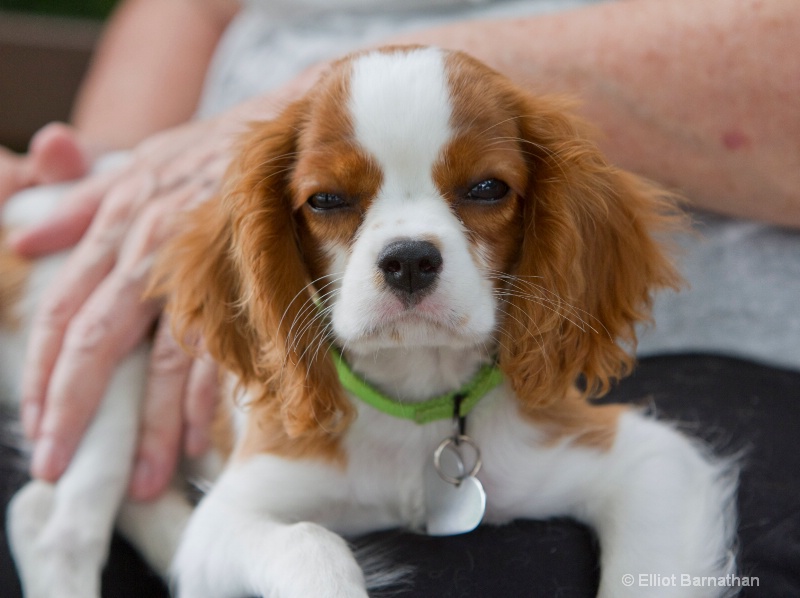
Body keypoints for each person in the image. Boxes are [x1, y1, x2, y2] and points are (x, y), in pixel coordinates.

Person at [1, 1, 799, 594]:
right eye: (333, 201)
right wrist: (109, 184)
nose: (409, 249)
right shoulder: (256, 273)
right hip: (168, 255)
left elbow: (652, 471)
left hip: (716, 358)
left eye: (483, 190)